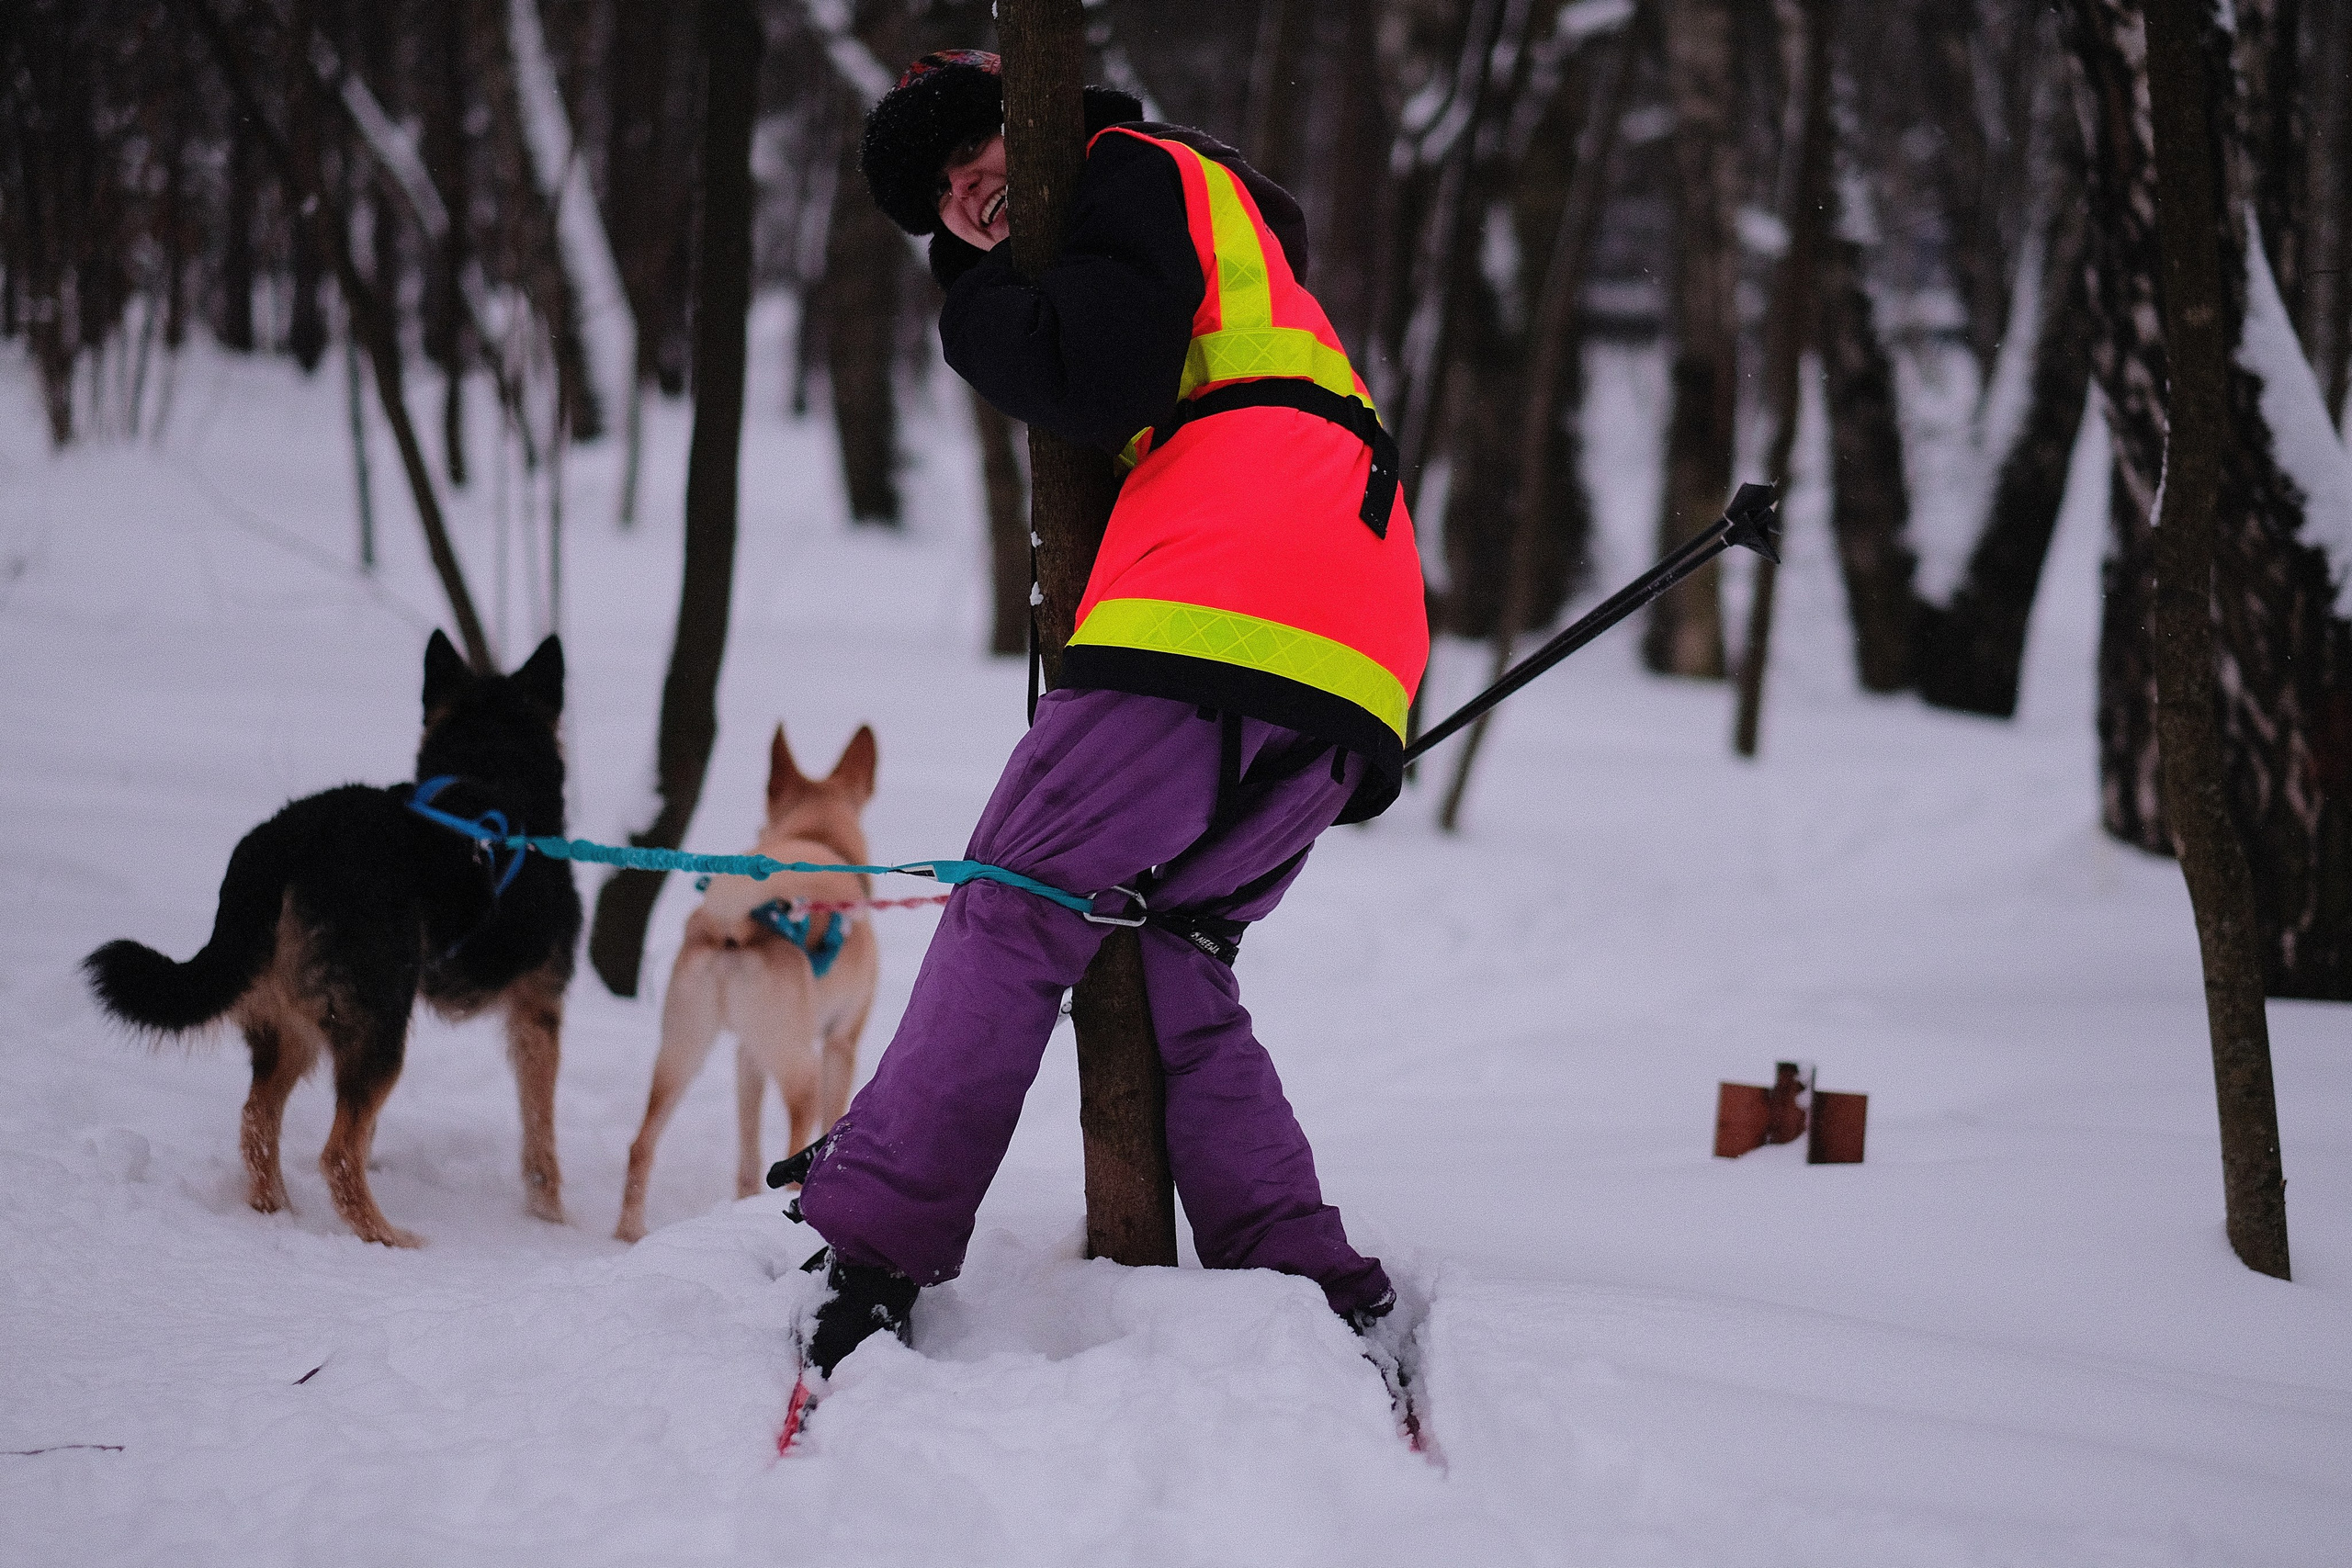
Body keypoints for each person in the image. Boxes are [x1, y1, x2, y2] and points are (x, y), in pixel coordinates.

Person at [788, 49, 1429, 1376]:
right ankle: (1301, 1270)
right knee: (1172, 946)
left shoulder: (1130, 171)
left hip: (1223, 597)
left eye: (980, 163)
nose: (970, 200)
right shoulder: (1233, 242)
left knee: (1013, 900)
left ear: (1046, 130)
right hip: (1355, 635)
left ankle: (878, 1234)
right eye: (946, 203)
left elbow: (1103, 376)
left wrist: (968, 301)